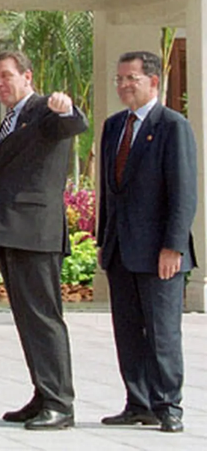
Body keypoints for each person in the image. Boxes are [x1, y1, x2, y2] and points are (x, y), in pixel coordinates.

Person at [0, 50, 87, 431]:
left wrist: (66, 108)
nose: (0, 84)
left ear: (27, 76)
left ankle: (60, 402)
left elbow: (73, 123)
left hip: (37, 232)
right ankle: (43, 393)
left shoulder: (45, 110)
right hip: (12, 233)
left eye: (7, 76)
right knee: (27, 320)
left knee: (44, 318)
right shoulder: (11, 118)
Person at [97, 50, 196, 434]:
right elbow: (109, 191)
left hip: (159, 253)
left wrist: (174, 246)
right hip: (121, 248)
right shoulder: (114, 126)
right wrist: (105, 238)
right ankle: (138, 402)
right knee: (127, 329)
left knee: (162, 332)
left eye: (131, 79)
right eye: (119, 79)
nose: (123, 86)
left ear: (153, 82)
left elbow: (183, 192)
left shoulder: (172, 126)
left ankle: (168, 405)